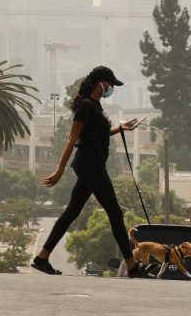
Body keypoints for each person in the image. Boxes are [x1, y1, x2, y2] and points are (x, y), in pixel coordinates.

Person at [31, 65, 149, 278]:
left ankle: (42, 258)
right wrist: (59, 170)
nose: (111, 88)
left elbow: (98, 135)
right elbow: (72, 139)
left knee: (71, 212)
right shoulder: (86, 106)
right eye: (110, 84)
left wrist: (121, 128)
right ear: (98, 83)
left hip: (93, 165)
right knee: (115, 212)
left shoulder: (96, 106)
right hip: (90, 166)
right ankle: (132, 266)